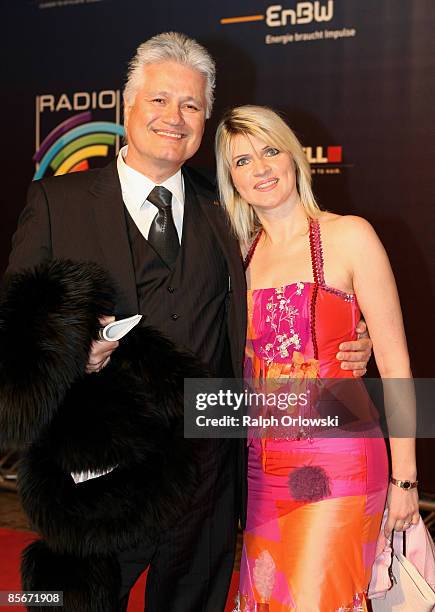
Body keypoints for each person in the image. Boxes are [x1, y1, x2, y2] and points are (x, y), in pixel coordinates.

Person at [7, 35, 372, 611]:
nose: (174, 118)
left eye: (192, 106)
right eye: (160, 101)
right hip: (95, 482)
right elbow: (14, 335)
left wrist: (350, 330)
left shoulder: (228, 205)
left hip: (207, 478)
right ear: (126, 105)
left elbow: (293, 279)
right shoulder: (57, 202)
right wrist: (68, 349)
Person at [214, 105, 419, 611]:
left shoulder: (351, 235)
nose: (259, 169)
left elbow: (396, 368)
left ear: (294, 157)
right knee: (265, 598)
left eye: (269, 151)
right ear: (231, 179)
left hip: (339, 462)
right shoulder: (235, 253)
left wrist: (406, 479)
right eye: (241, 161)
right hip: (260, 470)